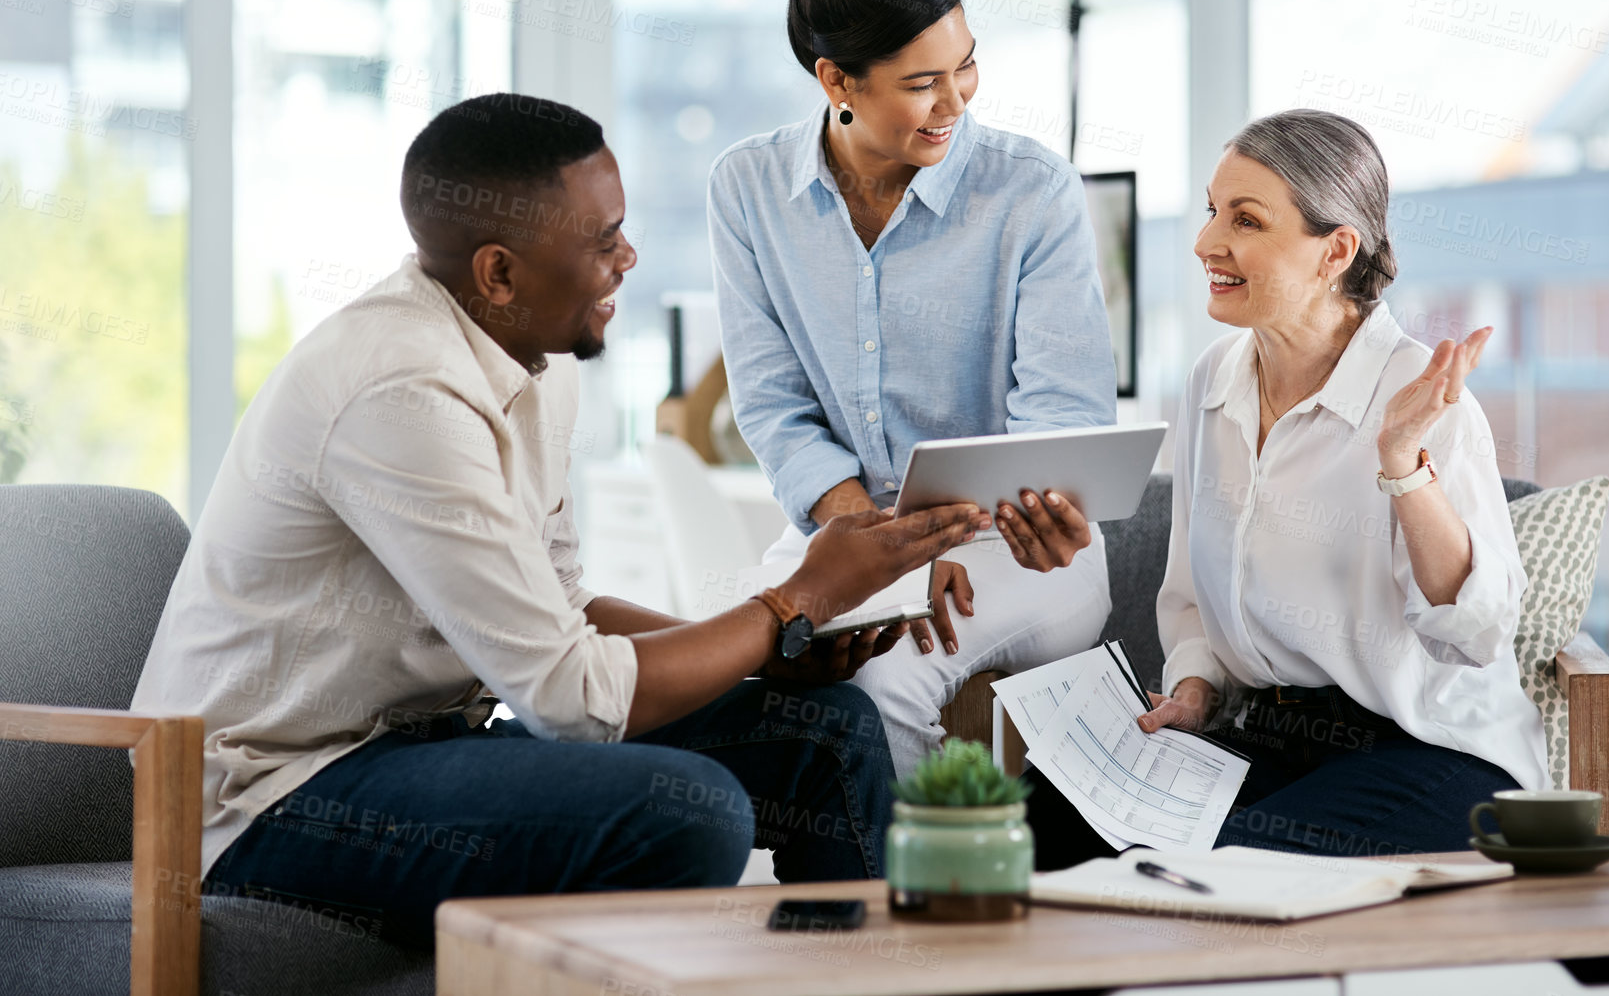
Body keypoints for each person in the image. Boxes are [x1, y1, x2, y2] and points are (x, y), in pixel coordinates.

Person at [130, 93, 991, 947]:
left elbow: (565, 609)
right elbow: (571, 703)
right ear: (499, 273)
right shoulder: (401, 393)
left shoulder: (535, 353)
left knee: (825, 729)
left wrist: (781, 649)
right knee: (681, 814)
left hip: (424, 745)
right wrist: (787, 605)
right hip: (268, 798)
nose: (629, 257)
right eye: (601, 241)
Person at [1027, 109, 1548, 865]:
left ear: (1334, 250)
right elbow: (1190, 599)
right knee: (1043, 818)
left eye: (1245, 220)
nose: (1207, 242)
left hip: (1428, 751)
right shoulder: (1212, 381)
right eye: (1211, 210)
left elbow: (1475, 632)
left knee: (1219, 864)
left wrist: (1401, 461)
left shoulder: (1421, 395)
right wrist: (1195, 686)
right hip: (1266, 740)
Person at [707, 0, 1120, 778]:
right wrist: (876, 539)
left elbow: (1058, 418)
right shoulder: (747, 188)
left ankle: (914, 904)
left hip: (1017, 542)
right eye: (921, 82)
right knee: (719, 667)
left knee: (880, 679)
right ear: (837, 82)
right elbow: (772, 403)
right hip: (850, 525)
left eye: (964, 67)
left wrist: (951, 534)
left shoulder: (1031, 191)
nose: (954, 103)